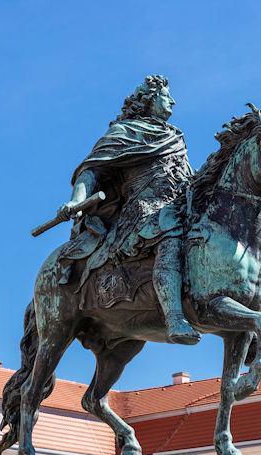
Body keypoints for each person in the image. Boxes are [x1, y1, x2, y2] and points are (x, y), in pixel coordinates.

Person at [56, 75, 200, 345]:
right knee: (168, 231)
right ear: (148, 100)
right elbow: (92, 170)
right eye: (165, 96)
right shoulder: (125, 132)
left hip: (180, 205)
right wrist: (76, 201)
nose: (172, 101)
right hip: (142, 211)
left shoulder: (174, 136)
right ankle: (174, 318)